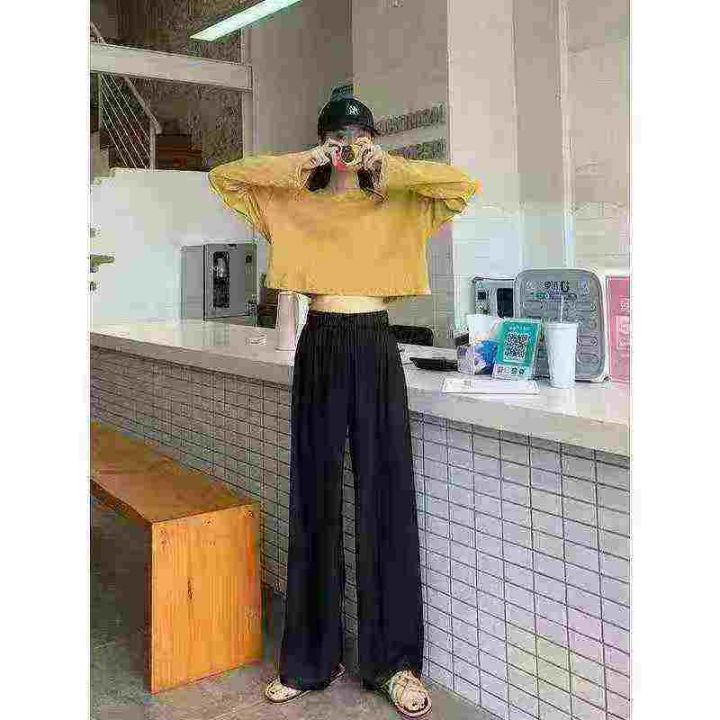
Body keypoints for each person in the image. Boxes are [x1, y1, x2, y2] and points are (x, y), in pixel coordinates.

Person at [208, 96, 480, 718]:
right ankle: (310, 659)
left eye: (357, 136)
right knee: (314, 497)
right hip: (321, 341)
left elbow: (462, 185)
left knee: (385, 495)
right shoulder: (294, 202)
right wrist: (306, 161)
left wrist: (387, 164)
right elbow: (226, 178)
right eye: (338, 136)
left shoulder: (400, 201)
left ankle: (395, 664)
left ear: (373, 141)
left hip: (375, 342)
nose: (347, 146)